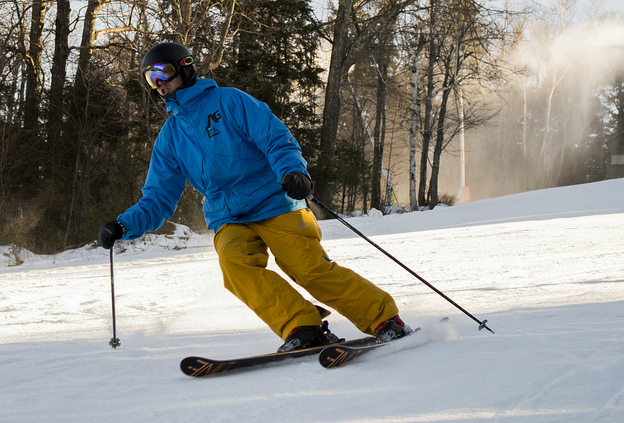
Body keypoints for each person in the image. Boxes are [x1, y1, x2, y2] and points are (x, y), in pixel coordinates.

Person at [98, 42, 410, 352]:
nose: (159, 83)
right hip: (228, 216)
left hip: (275, 201)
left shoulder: (229, 101)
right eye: (151, 78)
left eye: (162, 72)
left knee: (306, 268)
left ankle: (384, 319)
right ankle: (302, 325)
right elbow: (158, 197)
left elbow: (274, 137)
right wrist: (124, 225)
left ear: (185, 67)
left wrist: (292, 171)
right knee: (235, 267)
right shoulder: (170, 137)